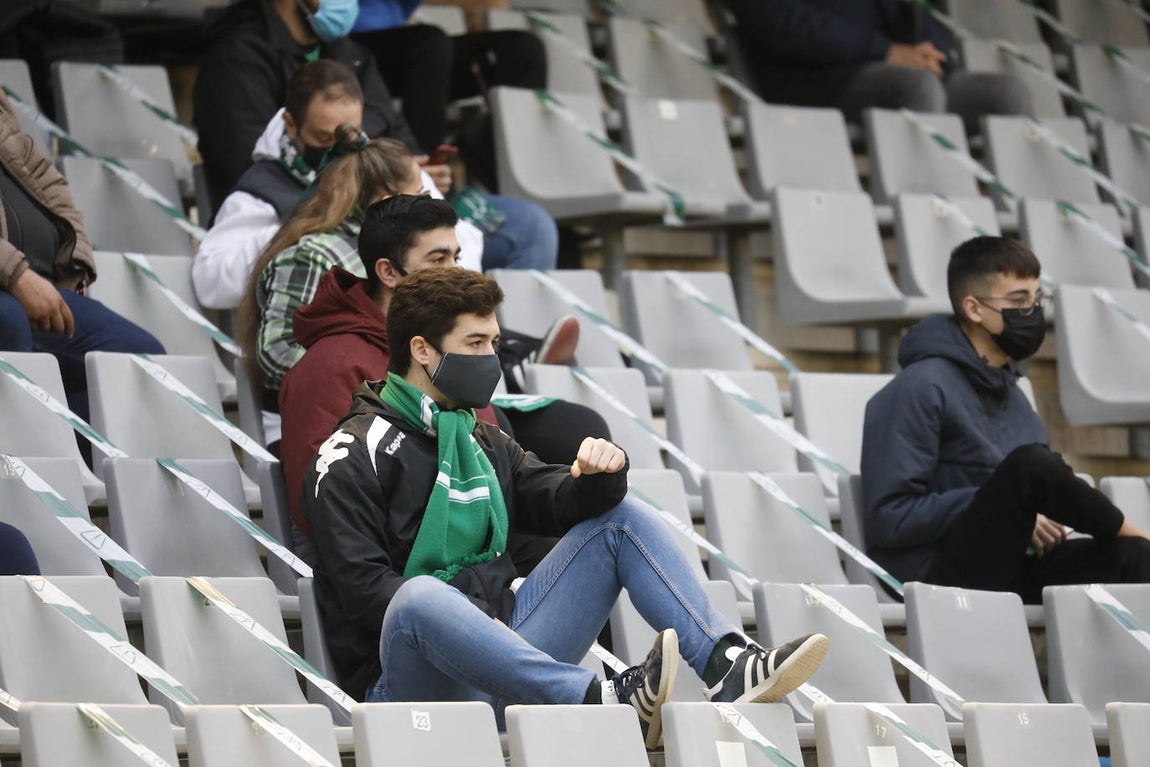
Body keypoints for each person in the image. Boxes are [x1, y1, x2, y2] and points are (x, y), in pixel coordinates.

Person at [301, 266, 830, 745]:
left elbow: (555, 498)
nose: (491, 358)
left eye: (494, 341)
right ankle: (594, 699)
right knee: (418, 597)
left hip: (506, 664)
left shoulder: (481, 439)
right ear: (422, 350)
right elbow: (365, 594)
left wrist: (602, 475)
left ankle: (726, 663)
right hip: (412, 686)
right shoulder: (350, 454)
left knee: (621, 519)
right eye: (476, 342)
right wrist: (479, 637)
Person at [279, 194, 606, 554]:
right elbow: (324, 505)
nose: (454, 271)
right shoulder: (331, 365)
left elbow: (500, 474)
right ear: (388, 272)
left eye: (456, 257)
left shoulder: (458, 349)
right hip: (406, 561)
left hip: (479, 538)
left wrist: (600, 480)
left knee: (595, 541)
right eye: (438, 259)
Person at [861, 236, 1150, 603]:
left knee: (1134, 559)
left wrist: (1019, 513)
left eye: (1035, 299)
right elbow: (890, 518)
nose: (1032, 312)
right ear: (974, 308)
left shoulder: (1012, 390)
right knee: (1029, 466)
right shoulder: (918, 388)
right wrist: (1004, 505)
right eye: (1017, 301)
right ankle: (1133, 530)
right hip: (932, 575)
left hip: (1013, 563)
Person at [193, 0, 557, 271]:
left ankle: (495, 350)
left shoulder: (349, 53)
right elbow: (248, 169)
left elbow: (398, 139)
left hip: (389, 207)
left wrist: (419, 169)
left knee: (530, 225)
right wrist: (339, 202)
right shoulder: (235, 58)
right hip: (308, 218)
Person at [192, 60, 484, 310]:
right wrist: (308, 226)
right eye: (323, 138)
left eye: (350, 133)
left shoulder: (392, 169)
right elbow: (211, 281)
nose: (340, 148)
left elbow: (465, 242)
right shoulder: (263, 189)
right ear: (291, 124)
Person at [0, 89, 163, 423]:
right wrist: (16, 276)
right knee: (9, 322)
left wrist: (73, 261)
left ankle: (73, 463)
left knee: (142, 360)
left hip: (36, 279)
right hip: (11, 284)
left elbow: (49, 182)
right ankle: (22, 463)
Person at [722, 0, 1033, 132]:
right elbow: (786, 25)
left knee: (1005, 94)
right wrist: (883, 51)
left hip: (884, 68)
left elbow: (911, 16)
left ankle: (1012, 235)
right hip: (812, 80)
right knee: (916, 87)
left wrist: (930, 53)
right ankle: (925, 215)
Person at [351, 0, 547, 190]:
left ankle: (483, 166)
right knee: (429, 41)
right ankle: (425, 175)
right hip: (343, 43)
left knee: (521, 49)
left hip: (397, 40)